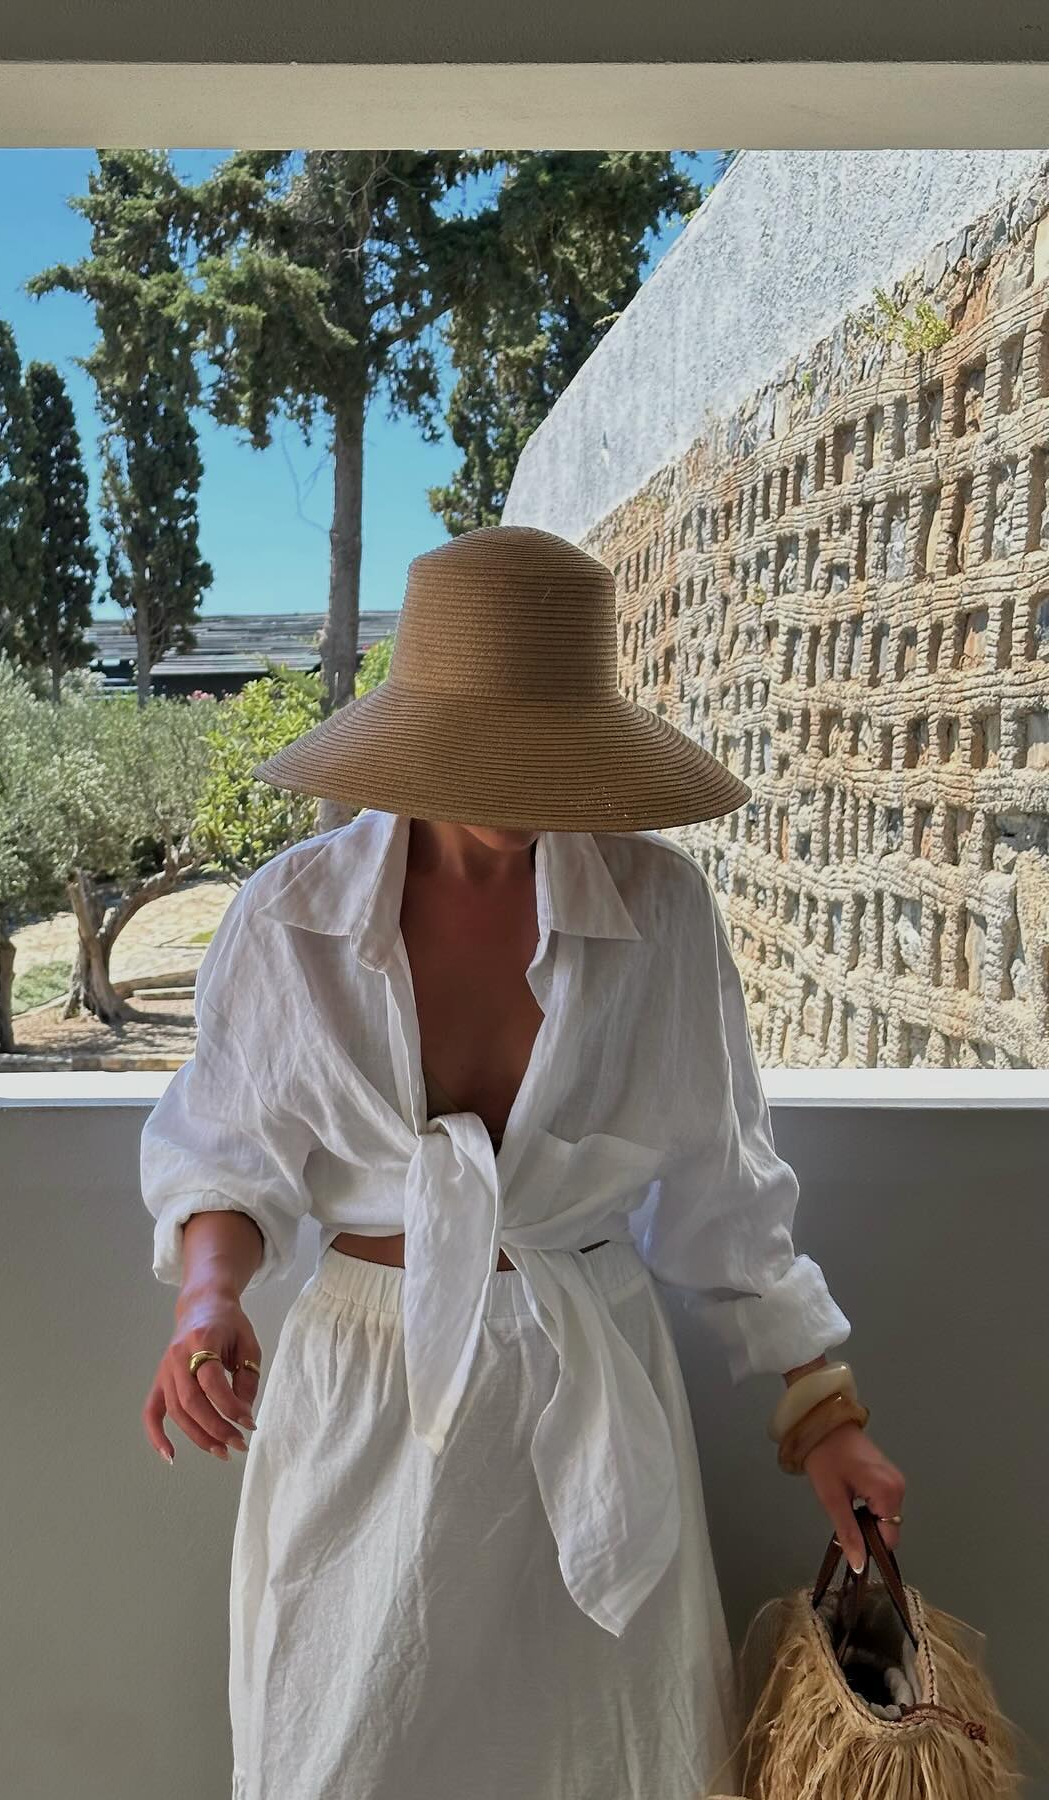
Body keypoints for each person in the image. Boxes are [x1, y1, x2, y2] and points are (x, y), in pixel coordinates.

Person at [138, 524, 906, 1800]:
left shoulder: (659, 913)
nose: (518, 785)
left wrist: (823, 1414)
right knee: (339, 1746)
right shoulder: (293, 917)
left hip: (588, 1383)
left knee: (603, 1761)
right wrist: (208, 1298)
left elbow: (723, 1194)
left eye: (548, 750)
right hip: (366, 1392)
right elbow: (228, 1146)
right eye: (484, 748)